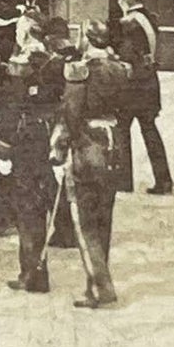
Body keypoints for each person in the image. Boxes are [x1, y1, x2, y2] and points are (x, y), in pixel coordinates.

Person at [51, 19, 131, 309]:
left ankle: (100, 287)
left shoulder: (78, 70)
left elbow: (70, 114)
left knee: (84, 222)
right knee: (104, 218)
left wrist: (60, 148)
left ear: (86, 38)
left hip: (88, 146)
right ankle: (97, 282)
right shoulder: (121, 69)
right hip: (114, 144)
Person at [1, 15, 69, 294]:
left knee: (27, 207)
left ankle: (32, 272)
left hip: (26, 139)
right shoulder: (55, 62)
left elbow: (13, 108)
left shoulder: (22, 66)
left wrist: (3, 146)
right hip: (50, 135)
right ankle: (38, 266)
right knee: (45, 198)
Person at [113, 0, 173, 196]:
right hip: (150, 83)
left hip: (132, 87)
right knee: (150, 131)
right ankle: (164, 180)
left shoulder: (128, 23)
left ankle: (123, 181)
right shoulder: (151, 18)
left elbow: (127, 55)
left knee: (121, 131)